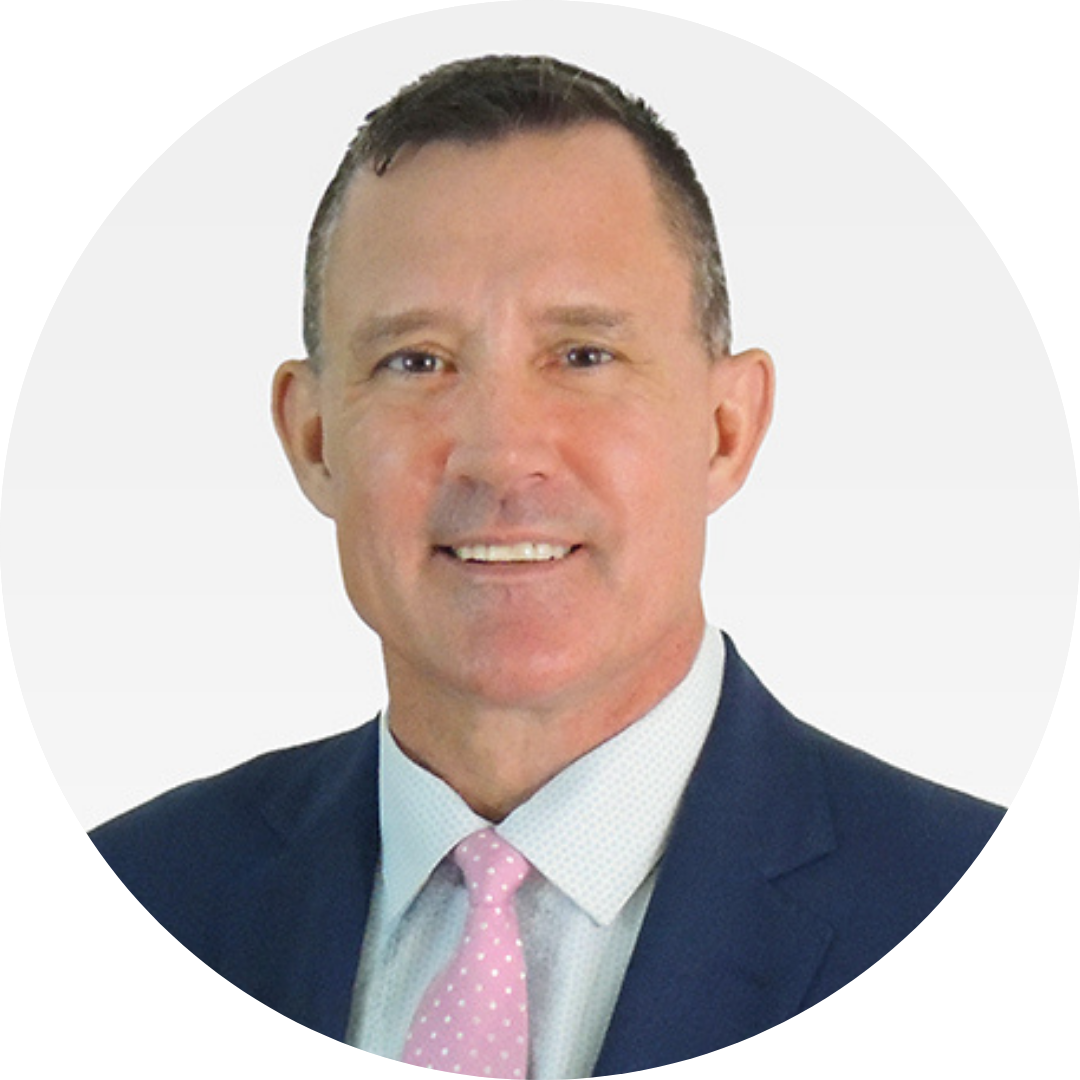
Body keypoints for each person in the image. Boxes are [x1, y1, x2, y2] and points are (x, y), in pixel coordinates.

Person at [89, 55, 1004, 1076]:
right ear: (313, 440)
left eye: (582, 355)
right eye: (416, 361)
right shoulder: (132, 896)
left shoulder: (984, 909)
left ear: (725, 428)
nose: (500, 452)